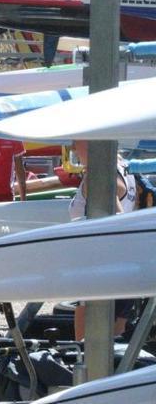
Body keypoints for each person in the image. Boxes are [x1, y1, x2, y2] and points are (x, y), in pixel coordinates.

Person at [68, 139, 137, 340]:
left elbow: (117, 224)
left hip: (97, 272)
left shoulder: (100, 175)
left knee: (84, 350)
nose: (72, 147)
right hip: (123, 272)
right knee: (112, 353)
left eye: (76, 141)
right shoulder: (125, 168)